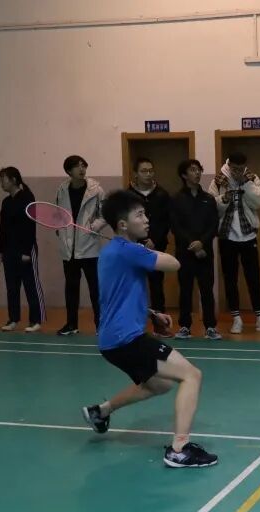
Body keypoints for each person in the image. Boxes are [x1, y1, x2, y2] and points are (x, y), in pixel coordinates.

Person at [81, 190, 217, 469]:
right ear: (122, 224)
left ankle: (101, 411)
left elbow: (117, 296)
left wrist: (151, 313)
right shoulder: (128, 251)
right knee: (191, 375)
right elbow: (174, 263)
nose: (146, 220)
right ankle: (179, 449)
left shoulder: (111, 253)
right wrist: (144, 248)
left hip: (113, 342)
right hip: (126, 339)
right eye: (140, 215)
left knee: (160, 384)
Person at [208, 151, 260, 334]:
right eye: (235, 169)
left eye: (241, 169)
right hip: (227, 236)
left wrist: (245, 184)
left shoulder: (251, 178)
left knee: (253, 278)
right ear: (229, 165)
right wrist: (223, 199)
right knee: (230, 279)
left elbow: (258, 202)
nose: (237, 172)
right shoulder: (218, 180)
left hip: (248, 235)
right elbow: (211, 207)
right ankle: (236, 319)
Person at [170, 159, 222, 340]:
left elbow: (213, 225)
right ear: (184, 175)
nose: (197, 173)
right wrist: (192, 244)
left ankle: (210, 326)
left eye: (199, 169)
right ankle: (185, 326)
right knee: (185, 290)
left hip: (205, 252)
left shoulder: (208, 199)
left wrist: (202, 243)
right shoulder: (176, 199)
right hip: (185, 252)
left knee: (207, 290)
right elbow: (176, 226)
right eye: (192, 170)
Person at [56, 155, 105, 336]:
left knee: (95, 290)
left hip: (89, 247)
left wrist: (95, 227)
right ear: (69, 171)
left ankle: (101, 325)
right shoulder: (62, 189)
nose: (82, 169)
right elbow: (58, 214)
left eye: (84, 165)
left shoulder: (96, 190)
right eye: (77, 166)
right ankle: (71, 324)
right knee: (71, 289)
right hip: (69, 249)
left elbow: (105, 214)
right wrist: (59, 230)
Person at [0, 166, 44, 332]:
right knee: (12, 287)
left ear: (14, 180)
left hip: (26, 250)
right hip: (9, 251)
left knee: (31, 285)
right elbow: (3, 228)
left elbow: (30, 227)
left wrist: (26, 251)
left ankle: (36, 320)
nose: (1, 182)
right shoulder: (6, 202)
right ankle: (13, 319)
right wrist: (0, 250)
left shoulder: (27, 198)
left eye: (3, 179)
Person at [129, 157, 171, 327]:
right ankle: (133, 323)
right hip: (135, 246)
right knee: (134, 284)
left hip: (156, 246)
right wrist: (139, 240)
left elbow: (166, 221)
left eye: (150, 171)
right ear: (136, 173)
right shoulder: (128, 195)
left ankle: (159, 324)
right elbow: (126, 221)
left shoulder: (162, 194)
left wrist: (154, 239)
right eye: (144, 171)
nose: (148, 174)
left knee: (156, 285)